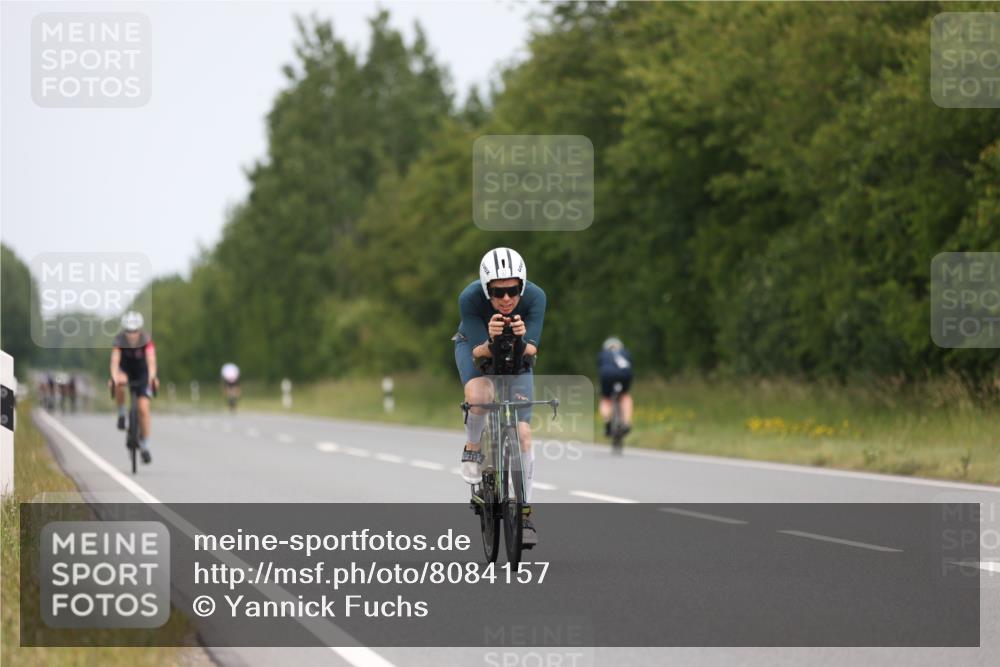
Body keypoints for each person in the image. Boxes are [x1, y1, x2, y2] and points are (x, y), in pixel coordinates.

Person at [453, 247, 546, 546]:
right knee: (481, 393)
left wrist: (520, 337)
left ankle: (525, 512)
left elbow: (532, 350)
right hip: (474, 344)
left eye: (513, 290)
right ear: (485, 289)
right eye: (497, 292)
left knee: (522, 433)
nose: (506, 299)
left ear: (522, 285)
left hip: (518, 351)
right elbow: (479, 354)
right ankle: (473, 446)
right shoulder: (469, 298)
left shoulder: (535, 297)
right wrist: (491, 339)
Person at [110, 311, 158, 463]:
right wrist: (113, 376)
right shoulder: (119, 340)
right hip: (125, 371)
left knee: (143, 409)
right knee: (118, 381)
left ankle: (145, 445)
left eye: (135, 331)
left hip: (142, 372)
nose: (132, 334)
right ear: (125, 331)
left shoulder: (146, 340)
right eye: (129, 331)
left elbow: (151, 361)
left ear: (140, 330)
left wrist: (151, 377)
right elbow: (115, 361)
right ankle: (122, 413)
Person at [598, 336, 634, 438]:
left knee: (606, 399)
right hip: (625, 375)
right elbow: (631, 366)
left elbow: (600, 368)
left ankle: (607, 421)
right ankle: (626, 423)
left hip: (607, 376)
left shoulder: (603, 354)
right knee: (625, 396)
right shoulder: (625, 352)